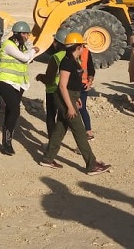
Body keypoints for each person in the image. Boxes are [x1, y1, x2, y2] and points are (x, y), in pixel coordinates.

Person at [39, 32, 111, 176]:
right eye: (83, 46)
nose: (84, 48)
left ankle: (47, 158)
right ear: (78, 46)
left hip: (71, 96)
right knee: (79, 132)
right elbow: (62, 86)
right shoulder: (67, 61)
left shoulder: (72, 59)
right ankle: (91, 165)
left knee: (60, 129)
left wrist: (76, 98)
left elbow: (71, 84)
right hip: (65, 99)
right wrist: (70, 106)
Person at [0, 21, 38, 156]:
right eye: (25, 34)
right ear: (18, 34)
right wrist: (34, 50)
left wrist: (30, 50)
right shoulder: (9, 45)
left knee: (10, 111)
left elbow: (28, 59)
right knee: (14, 110)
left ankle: (7, 140)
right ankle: (6, 142)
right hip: (5, 81)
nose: (27, 37)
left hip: (19, 83)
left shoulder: (21, 47)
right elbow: (26, 58)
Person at [36, 29, 69, 139]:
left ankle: (52, 140)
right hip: (67, 91)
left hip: (53, 90)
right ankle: (59, 137)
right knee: (63, 116)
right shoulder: (72, 56)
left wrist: (40, 77)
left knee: (51, 115)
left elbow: (49, 78)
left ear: (57, 43)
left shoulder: (55, 58)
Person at [78, 42, 96, 140]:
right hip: (83, 84)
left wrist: (90, 80)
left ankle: (88, 131)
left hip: (81, 84)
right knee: (82, 108)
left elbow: (90, 69)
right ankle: (88, 131)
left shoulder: (70, 52)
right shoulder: (85, 51)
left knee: (79, 107)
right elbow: (91, 69)